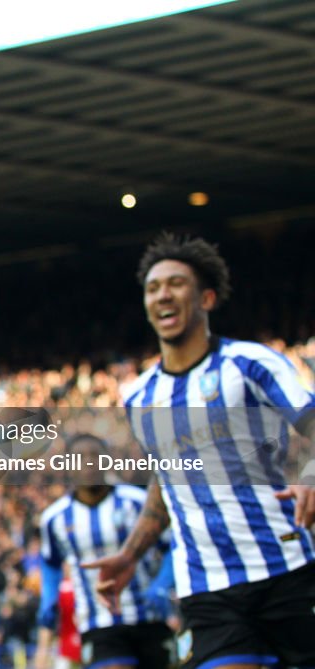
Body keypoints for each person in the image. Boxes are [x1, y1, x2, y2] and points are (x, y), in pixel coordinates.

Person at [84, 233, 315, 669]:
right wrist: (131, 554)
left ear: (206, 297)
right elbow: (166, 480)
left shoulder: (249, 364)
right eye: (153, 288)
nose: (162, 295)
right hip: (209, 589)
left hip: (288, 570)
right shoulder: (139, 397)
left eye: (175, 283)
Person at [35, 434, 174, 669]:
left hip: (149, 617)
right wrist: (48, 601)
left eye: (95, 456)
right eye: (80, 458)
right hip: (97, 622)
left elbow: (171, 547)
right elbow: (50, 564)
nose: (89, 463)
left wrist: (162, 584)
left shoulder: (138, 502)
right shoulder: (54, 518)